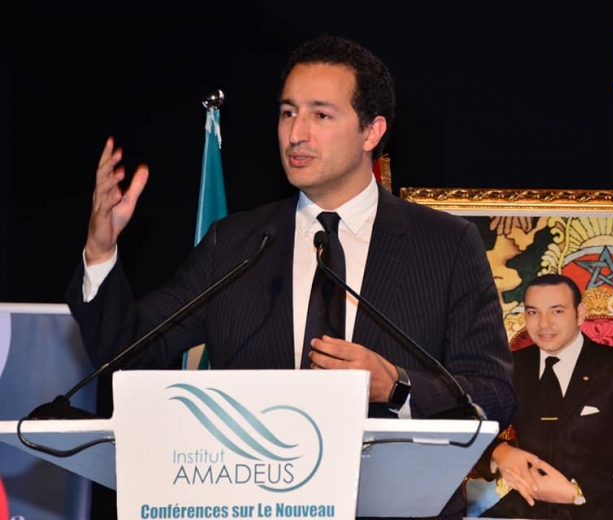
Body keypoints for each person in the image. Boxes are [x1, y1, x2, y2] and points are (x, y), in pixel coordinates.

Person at [65, 35, 515, 519]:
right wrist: (101, 250)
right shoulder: (234, 244)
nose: (296, 133)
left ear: (372, 131)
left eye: (320, 115)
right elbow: (124, 349)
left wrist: (398, 386)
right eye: (287, 113)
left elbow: (493, 394)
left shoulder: (445, 244)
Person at [474, 274, 613, 520]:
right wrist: (499, 451)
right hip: (534, 502)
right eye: (533, 312)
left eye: (556, 311)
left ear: (580, 313)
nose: (543, 324)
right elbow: (467, 425)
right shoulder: (510, 368)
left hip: (611, 502)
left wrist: (576, 491)